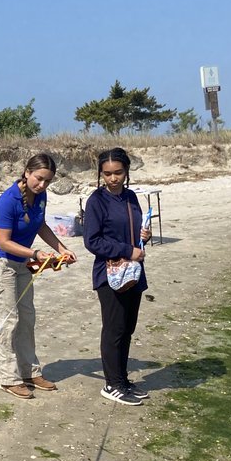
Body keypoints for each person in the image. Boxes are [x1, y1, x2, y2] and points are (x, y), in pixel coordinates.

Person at [0, 152, 76, 399]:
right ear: (27, 172)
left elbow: (40, 225)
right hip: (0, 263)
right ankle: (9, 378)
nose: (42, 185)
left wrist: (60, 249)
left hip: (24, 262)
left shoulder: (41, 196)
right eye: (39, 178)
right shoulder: (8, 200)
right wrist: (35, 253)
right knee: (7, 321)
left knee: (27, 318)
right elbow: (4, 242)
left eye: (47, 181)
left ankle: (30, 371)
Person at [83, 148, 152, 406]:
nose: (113, 178)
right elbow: (92, 241)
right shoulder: (96, 201)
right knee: (114, 329)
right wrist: (127, 250)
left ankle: (122, 380)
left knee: (128, 329)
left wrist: (144, 237)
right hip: (109, 274)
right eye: (108, 174)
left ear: (127, 172)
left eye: (118, 173)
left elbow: (133, 229)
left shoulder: (131, 196)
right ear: (101, 174)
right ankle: (111, 384)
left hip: (134, 272)